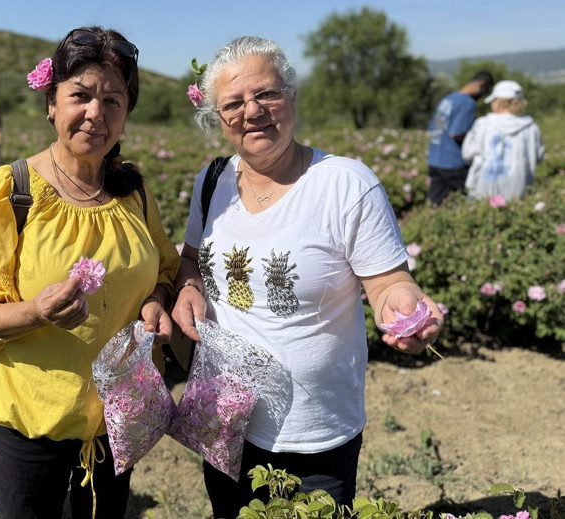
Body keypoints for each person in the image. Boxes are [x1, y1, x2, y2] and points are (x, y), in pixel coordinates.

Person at [171, 36, 445, 517]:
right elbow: (192, 259)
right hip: (224, 416)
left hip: (313, 430)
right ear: (218, 119)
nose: (251, 111)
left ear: (291, 96)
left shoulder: (345, 184)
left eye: (266, 94)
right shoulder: (210, 181)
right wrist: (189, 285)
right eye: (233, 103)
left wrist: (404, 308)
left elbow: (387, 283)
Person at [0, 26, 180, 519]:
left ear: (126, 114)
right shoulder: (11, 190)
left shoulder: (132, 191)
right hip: (31, 426)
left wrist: (157, 300)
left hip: (117, 419)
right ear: (52, 103)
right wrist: (34, 312)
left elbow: (165, 267)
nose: (96, 112)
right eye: (81, 96)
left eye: (113, 100)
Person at [461, 80, 545, 201]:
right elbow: (539, 157)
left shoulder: (482, 124)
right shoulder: (531, 127)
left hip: (481, 190)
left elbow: (467, 154)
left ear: (498, 102)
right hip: (518, 191)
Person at [426, 71, 494, 206]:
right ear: (481, 85)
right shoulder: (468, 103)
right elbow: (456, 133)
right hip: (453, 163)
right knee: (475, 198)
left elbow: (433, 128)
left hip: (434, 160)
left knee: (435, 204)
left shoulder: (448, 98)